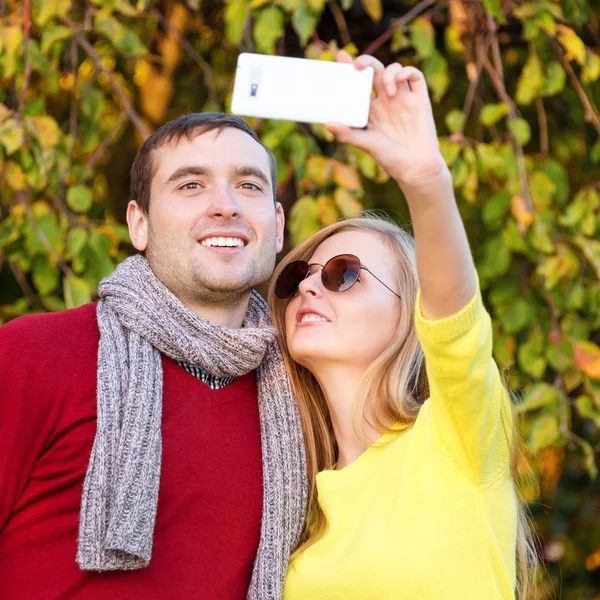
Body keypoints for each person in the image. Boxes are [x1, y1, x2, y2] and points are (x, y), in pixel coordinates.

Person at [0, 113, 307, 600]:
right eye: (190, 185)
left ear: (278, 225)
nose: (225, 206)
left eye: (248, 185)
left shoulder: (300, 400)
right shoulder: (35, 353)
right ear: (138, 224)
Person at [268, 52, 537, 599]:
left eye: (344, 274)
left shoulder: (455, 437)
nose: (309, 287)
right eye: (298, 275)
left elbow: (456, 327)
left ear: (409, 315)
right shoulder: (294, 506)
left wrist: (424, 180)